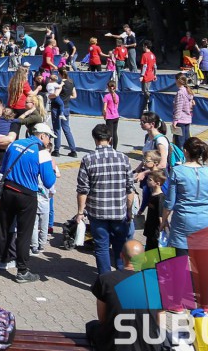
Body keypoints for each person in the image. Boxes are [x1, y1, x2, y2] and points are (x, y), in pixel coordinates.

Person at [0, 123, 57, 283]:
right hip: (27, 196)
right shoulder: (42, 152)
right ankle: (22, 271)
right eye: (49, 137)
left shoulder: (14, 144)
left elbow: (3, 169)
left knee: (2, 228)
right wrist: (51, 168)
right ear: (42, 136)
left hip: (8, 191)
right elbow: (49, 181)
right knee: (24, 234)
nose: (49, 141)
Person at [75, 124, 136, 275]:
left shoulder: (88, 159)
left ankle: (105, 279)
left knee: (101, 247)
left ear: (95, 139)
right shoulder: (123, 158)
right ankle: (123, 276)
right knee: (120, 246)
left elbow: (82, 190)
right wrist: (129, 210)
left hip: (97, 212)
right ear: (110, 139)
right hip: (119, 212)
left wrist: (80, 212)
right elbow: (130, 189)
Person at [85, 240, 165, 351]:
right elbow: (159, 319)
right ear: (144, 259)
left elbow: (103, 319)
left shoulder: (105, 279)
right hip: (148, 346)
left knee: (92, 326)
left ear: (121, 256)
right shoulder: (156, 283)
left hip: (114, 346)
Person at [160, 137, 208, 254]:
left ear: (185, 151)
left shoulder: (177, 171)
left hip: (182, 222)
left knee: (180, 260)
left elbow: (170, 202)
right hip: (205, 221)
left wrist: (163, 221)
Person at [173, 72, 195, 146]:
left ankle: (180, 153)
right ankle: (188, 152)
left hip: (181, 119)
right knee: (187, 140)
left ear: (177, 80)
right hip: (187, 118)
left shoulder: (180, 93)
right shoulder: (188, 91)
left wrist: (175, 120)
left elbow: (178, 107)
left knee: (179, 141)